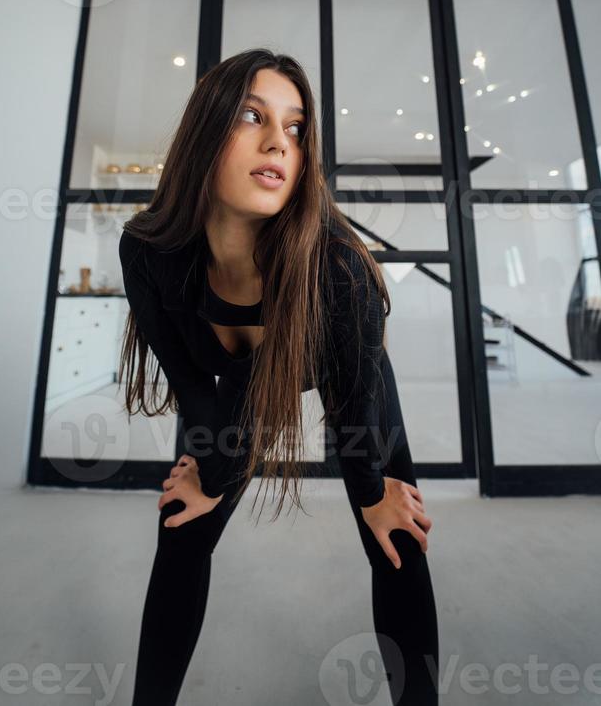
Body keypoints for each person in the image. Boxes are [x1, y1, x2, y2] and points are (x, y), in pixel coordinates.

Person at [118, 48, 439, 705]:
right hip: (238, 381)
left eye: (296, 128)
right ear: (205, 130)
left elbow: (354, 406)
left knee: (397, 533)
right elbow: (191, 386)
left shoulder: (339, 269)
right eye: (250, 115)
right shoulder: (149, 252)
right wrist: (210, 476)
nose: (279, 142)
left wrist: (375, 491)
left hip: (349, 372)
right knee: (182, 525)